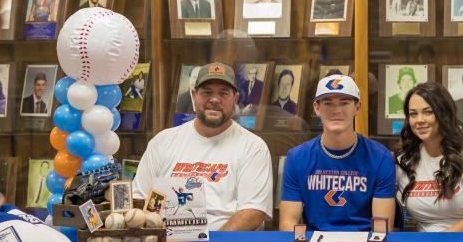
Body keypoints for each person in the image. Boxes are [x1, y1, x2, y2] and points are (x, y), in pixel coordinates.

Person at [133, 62, 272, 231]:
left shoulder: (253, 147)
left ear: (235, 99)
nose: (214, 99)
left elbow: (253, 213)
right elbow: (139, 200)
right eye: (207, 92)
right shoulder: (162, 142)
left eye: (223, 93)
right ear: (193, 95)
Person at [279, 76, 395, 232]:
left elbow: (382, 229)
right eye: (328, 103)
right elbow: (288, 222)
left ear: (357, 107)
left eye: (344, 103)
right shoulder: (296, 158)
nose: (336, 110)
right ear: (317, 108)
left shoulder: (381, 158)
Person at [396, 81, 463, 232]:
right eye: (413, 114)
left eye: (428, 112)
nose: (419, 120)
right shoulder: (403, 161)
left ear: (444, 114)